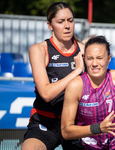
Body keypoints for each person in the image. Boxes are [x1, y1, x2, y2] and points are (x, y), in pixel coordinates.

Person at [21, 2, 85, 150]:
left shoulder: (83, 50)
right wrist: (77, 71)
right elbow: (46, 94)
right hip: (45, 122)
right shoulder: (39, 50)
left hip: (74, 123)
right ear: (50, 25)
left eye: (70, 20)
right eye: (61, 22)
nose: (67, 26)